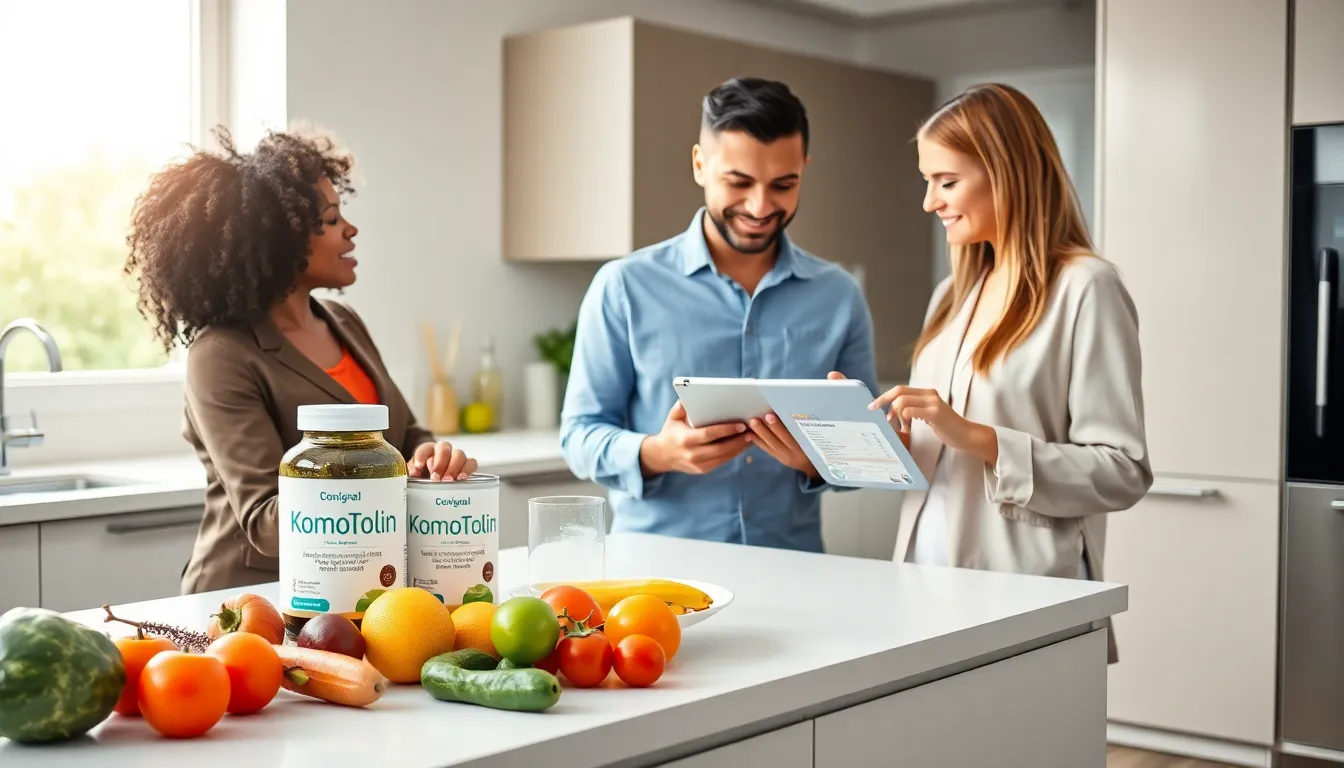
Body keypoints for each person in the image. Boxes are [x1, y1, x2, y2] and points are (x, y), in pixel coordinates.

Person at [835, 83, 1151, 662]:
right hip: (921, 582)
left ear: (1006, 173)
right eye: (927, 181)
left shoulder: (1086, 288)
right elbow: (937, 455)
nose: (929, 202)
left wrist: (976, 436)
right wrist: (869, 434)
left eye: (946, 181)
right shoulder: (950, 296)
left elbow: (1123, 471)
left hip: (1023, 591)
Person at [124, 125, 479, 595]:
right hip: (251, 601)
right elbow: (266, 520)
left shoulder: (342, 321)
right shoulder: (222, 354)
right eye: (331, 220)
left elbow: (406, 436)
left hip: (354, 589)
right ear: (280, 239)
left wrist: (433, 460)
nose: (350, 230)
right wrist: (392, 487)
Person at [560, 77, 880, 553]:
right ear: (699, 165)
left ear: (803, 170)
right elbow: (578, 436)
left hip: (793, 567)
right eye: (739, 182)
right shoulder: (624, 286)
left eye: (783, 184)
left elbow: (868, 454)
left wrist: (815, 460)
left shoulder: (838, 296)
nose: (760, 206)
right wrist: (657, 453)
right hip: (657, 570)